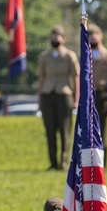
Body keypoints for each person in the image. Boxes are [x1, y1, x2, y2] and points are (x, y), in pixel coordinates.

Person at [38, 25, 81, 170]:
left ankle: (63, 162)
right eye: (53, 36)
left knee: (65, 130)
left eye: (58, 36)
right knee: (50, 130)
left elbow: (76, 77)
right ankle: (52, 163)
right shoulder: (45, 56)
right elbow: (42, 78)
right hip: (48, 94)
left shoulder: (69, 56)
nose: (55, 39)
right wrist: (40, 97)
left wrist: (76, 98)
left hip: (64, 94)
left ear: (63, 39)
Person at [89, 23, 107, 145]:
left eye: (96, 34)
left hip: (103, 94)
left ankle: (103, 158)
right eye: (90, 34)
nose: (93, 37)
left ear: (101, 36)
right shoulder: (85, 56)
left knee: (102, 129)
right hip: (89, 94)